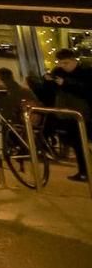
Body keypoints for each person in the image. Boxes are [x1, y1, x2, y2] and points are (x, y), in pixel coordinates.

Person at [48, 51, 91, 181]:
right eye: (60, 63)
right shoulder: (58, 71)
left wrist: (65, 84)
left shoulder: (86, 71)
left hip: (84, 113)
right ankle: (84, 171)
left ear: (74, 60)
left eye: (65, 63)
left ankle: (85, 171)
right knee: (77, 143)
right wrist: (49, 81)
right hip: (68, 113)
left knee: (80, 142)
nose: (63, 66)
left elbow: (87, 91)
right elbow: (51, 91)